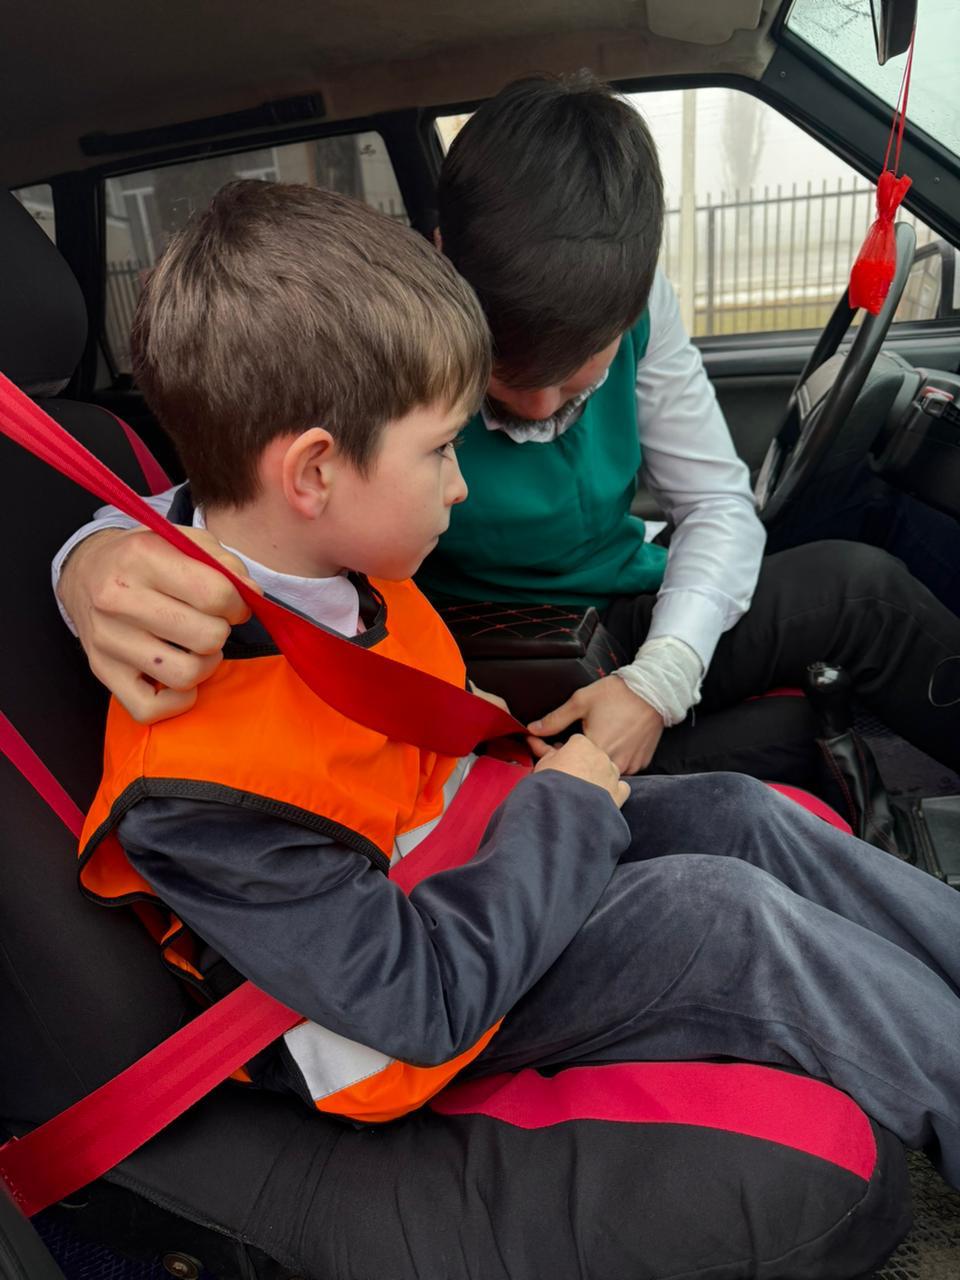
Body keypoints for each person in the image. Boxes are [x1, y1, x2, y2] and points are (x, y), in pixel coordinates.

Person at [76, 179, 960, 1181]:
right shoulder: (200, 790)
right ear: (314, 473)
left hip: (472, 867)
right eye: (440, 451)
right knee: (726, 918)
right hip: (402, 1015)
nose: (461, 483)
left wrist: (496, 758)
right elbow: (415, 997)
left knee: (740, 811)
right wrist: (565, 809)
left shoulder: (333, 569)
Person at [53, 73, 960, 784]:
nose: (536, 406)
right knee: (803, 714)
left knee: (862, 595)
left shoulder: (638, 301)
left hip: (621, 612)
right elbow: (231, 495)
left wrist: (659, 681)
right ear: (444, 260)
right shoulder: (384, 327)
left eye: (578, 370)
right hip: (489, 654)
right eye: (503, 372)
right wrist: (87, 563)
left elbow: (717, 502)